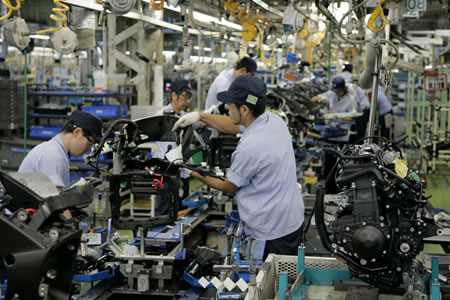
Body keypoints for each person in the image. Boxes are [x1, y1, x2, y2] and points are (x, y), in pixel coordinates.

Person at [173, 76, 304, 260]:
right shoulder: (273, 121)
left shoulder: (250, 147)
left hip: (272, 232)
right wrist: (200, 116)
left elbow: (229, 186)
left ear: (244, 109)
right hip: (291, 219)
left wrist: (189, 169)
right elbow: (234, 126)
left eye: (230, 104)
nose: (226, 108)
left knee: (273, 281)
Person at [19, 110, 103, 193]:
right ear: (77, 132)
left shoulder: (55, 150)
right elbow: (55, 203)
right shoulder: (52, 155)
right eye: (90, 142)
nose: (88, 149)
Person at [154, 79, 193, 213]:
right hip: (167, 173)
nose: (188, 101)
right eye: (185, 96)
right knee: (164, 211)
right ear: (174, 95)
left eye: (189, 97)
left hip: (184, 173)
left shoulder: (186, 117)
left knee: (183, 211)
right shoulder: (161, 116)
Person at [314, 76, 370, 143]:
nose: (336, 94)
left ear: (343, 89)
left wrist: (335, 117)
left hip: (362, 111)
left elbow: (353, 117)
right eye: (335, 91)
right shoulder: (332, 93)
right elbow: (314, 98)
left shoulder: (351, 94)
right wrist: (321, 99)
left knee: (358, 137)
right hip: (332, 128)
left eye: (338, 92)